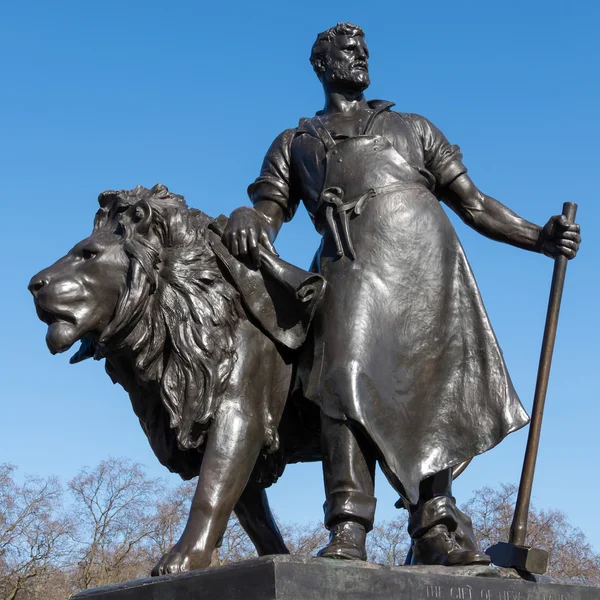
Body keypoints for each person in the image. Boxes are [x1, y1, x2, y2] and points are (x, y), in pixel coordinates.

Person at [221, 22, 581, 566]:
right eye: (347, 50)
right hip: (350, 266)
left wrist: (539, 236)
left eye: (365, 49)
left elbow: (475, 205)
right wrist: (249, 213)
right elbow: (270, 214)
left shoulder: (412, 127)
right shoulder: (295, 143)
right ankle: (348, 527)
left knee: (432, 383)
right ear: (321, 65)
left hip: (427, 265)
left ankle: (433, 525)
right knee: (340, 378)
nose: (361, 56)